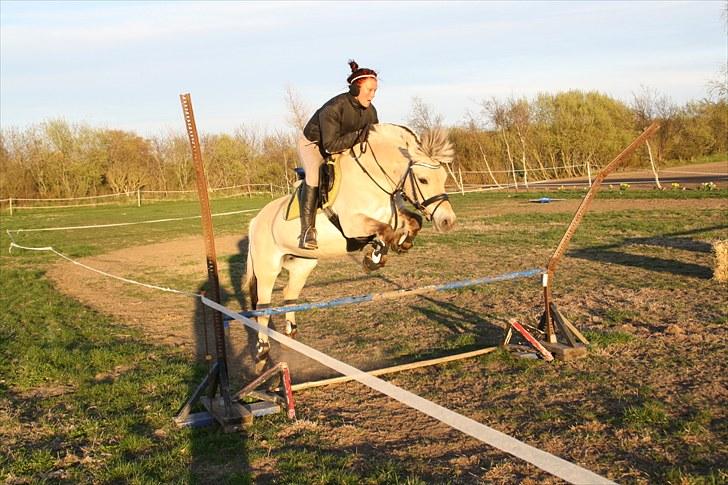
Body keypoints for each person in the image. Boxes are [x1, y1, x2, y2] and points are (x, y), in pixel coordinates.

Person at [296, 60, 379, 250]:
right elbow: (331, 146)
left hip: (344, 144)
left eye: (375, 91)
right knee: (315, 173)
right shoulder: (333, 108)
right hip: (315, 145)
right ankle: (307, 231)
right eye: (369, 90)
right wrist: (358, 136)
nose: (372, 95)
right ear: (355, 89)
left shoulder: (371, 112)